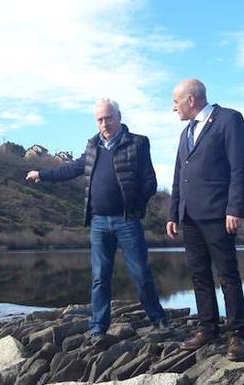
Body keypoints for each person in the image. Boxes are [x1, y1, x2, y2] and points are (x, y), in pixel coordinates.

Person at [26, 98, 167, 341]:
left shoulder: (138, 143)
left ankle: (159, 320)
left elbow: (149, 182)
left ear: (119, 116)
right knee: (100, 277)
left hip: (127, 221)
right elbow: (72, 169)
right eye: (99, 119)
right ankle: (98, 327)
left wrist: (135, 206)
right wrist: (43, 174)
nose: (104, 123)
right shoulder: (92, 146)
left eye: (108, 118)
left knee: (141, 274)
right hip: (99, 222)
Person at [166, 79, 244, 361]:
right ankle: (208, 328)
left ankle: (237, 334)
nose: (173, 107)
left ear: (191, 99)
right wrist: (173, 212)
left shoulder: (229, 120)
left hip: (218, 214)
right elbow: (179, 175)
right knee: (199, 274)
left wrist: (235, 208)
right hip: (189, 216)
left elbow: (241, 166)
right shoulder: (185, 132)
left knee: (227, 274)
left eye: (175, 101)